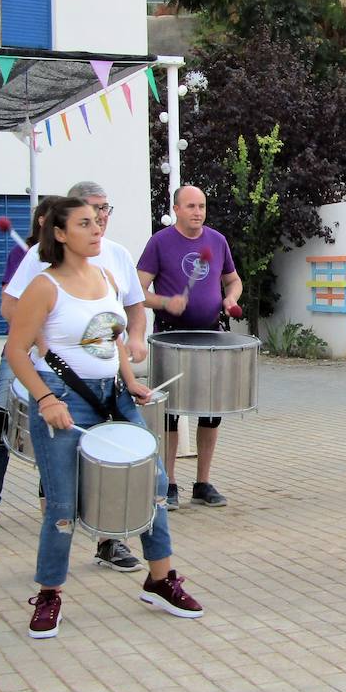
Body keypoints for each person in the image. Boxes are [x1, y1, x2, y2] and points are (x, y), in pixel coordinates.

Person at [7, 196, 203, 638]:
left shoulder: (107, 276)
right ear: (59, 234)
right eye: (85, 224)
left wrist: (130, 378)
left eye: (98, 222)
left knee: (152, 484)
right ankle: (50, 594)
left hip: (114, 397)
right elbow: (15, 351)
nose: (97, 229)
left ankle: (159, 580)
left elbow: (112, 335)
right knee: (62, 504)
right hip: (62, 399)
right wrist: (44, 400)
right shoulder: (45, 286)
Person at [0, 184, 147, 572]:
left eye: (104, 210)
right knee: (60, 495)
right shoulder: (39, 261)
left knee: (136, 475)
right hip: (59, 382)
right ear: (62, 230)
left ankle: (114, 543)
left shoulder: (115, 258)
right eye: (89, 214)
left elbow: (126, 315)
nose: (100, 220)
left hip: (110, 386)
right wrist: (37, 336)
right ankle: (49, 583)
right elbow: (12, 308)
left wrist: (132, 355)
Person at [137, 185, 242, 510]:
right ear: (176, 208)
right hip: (171, 336)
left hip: (211, 335)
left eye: (202, 206)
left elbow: (233, 279)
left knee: (211, 412)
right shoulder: (160, 242)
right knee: (170, 413)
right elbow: (137, 291)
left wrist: (230, 298)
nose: (198, 212)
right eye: (191, 206)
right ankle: (168, 483)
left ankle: (202, 483)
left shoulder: (217, 240)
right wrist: (167, 301)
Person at [0, 195, 57, 535]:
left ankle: (51, 505)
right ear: (41, 221)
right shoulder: (25, 253)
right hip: (19, 350)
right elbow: (9, 302)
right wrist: (33, 332)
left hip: (57, 358)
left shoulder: (75, 260)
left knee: (53, 430)